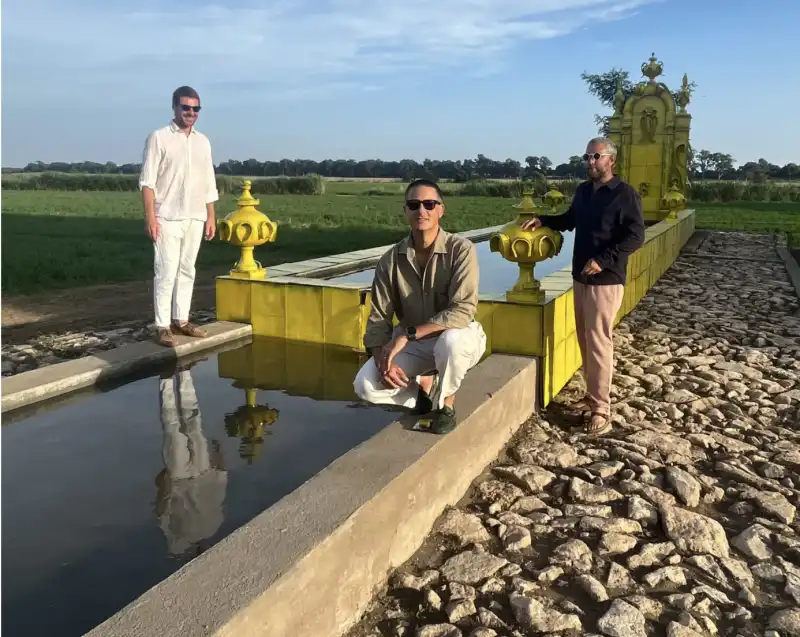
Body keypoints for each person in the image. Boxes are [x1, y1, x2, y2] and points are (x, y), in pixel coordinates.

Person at [521, 137, 644, 435]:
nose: (590, 162)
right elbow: (570, 220)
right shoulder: (584, 192)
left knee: (599, 341)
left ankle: (602, 408)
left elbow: (635, 236)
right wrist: (545, 221)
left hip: (606, 278)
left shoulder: (624, 195)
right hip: (581, 277)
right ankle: (591, 397)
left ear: (611, 160)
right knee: (585, 340)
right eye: (587, 156)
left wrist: (603, 260)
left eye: (596, 156)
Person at [353, 179, 487, 434]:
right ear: (405, 211)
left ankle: (446, 403)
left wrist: (407, 334)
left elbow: (462, 310)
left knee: (451, 342)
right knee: (365, 385)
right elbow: (378, 319)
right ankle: (421, 390)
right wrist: (382, 360)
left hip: (458, 336)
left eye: (429, 204)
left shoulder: (460, 250)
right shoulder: (390, 261)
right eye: (414, 205)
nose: (421, 211)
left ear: (441, 210)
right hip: (415, 346)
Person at [139, 86, 219, 347]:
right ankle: (162, 325)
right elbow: (148, 182)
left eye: (196, 109)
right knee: (166, 271)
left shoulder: (202, 141)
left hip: (195, 216)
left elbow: (208, 181)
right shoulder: (159, 138)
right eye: (186, 107)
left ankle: (181, 320)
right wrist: (150, 217)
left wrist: (210, 216)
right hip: (167, 216)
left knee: (187, 270)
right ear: (175, 107)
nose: (191, 113)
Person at [155, 365, 228, 557]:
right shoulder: (214, 526)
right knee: (194, 423)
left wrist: (163, 486)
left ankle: (166, 381)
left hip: (179, 479)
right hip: (205, 471)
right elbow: (219, 494)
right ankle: (185, 374)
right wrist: (220, 462)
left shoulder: (177, 545)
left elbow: (162, 514)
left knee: (173, 429)